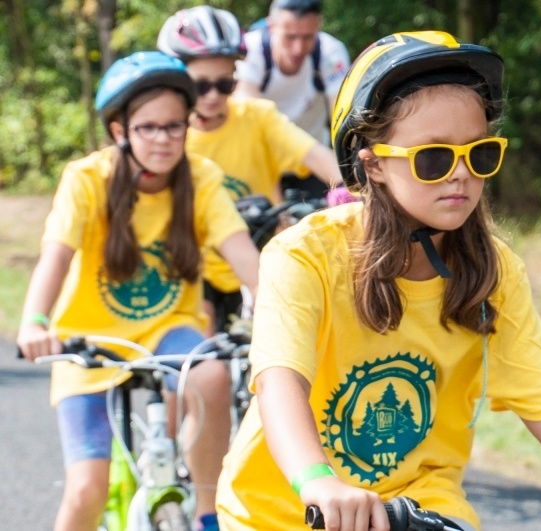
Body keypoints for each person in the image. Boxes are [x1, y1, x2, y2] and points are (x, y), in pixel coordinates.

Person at [215, 31, 541, 530]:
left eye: (479, 155)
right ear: (374, 165)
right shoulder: (304, 256)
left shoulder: (494, 270)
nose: (460, 174)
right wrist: (319, 483)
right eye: (433, 158)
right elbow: (280, 384)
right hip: (284, 512)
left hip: (424, 506)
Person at [15, 51, 260, 531]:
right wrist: (34, 322)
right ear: (119, 131)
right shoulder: (87, 180)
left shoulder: (202, 179)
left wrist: (279, 318)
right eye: (148, 127)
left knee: (210, 375)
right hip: (87, 344)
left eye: (174, 126)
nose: (164, 139)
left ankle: (208, 514)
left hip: (170, 332)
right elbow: (56, 257)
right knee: (87, 490)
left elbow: (246, 259)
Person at [157, 5, 345, 335]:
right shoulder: (165, 137)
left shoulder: (257, 117)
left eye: (225, 83)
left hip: (259, 262)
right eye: (200, 86)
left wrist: (350, 186)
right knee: (194, 366)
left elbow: (314, 154)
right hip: (192, 267)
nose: (213, 96)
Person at [235, 0, 350, 200]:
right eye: (290, 37)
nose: (298, 48)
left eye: (308, 37)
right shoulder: (250, 50)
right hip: (265, 164)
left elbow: (342, 119)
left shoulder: (330, 53)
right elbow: (247, 112)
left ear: (318, 26)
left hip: (313, 161)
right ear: (271, 27)